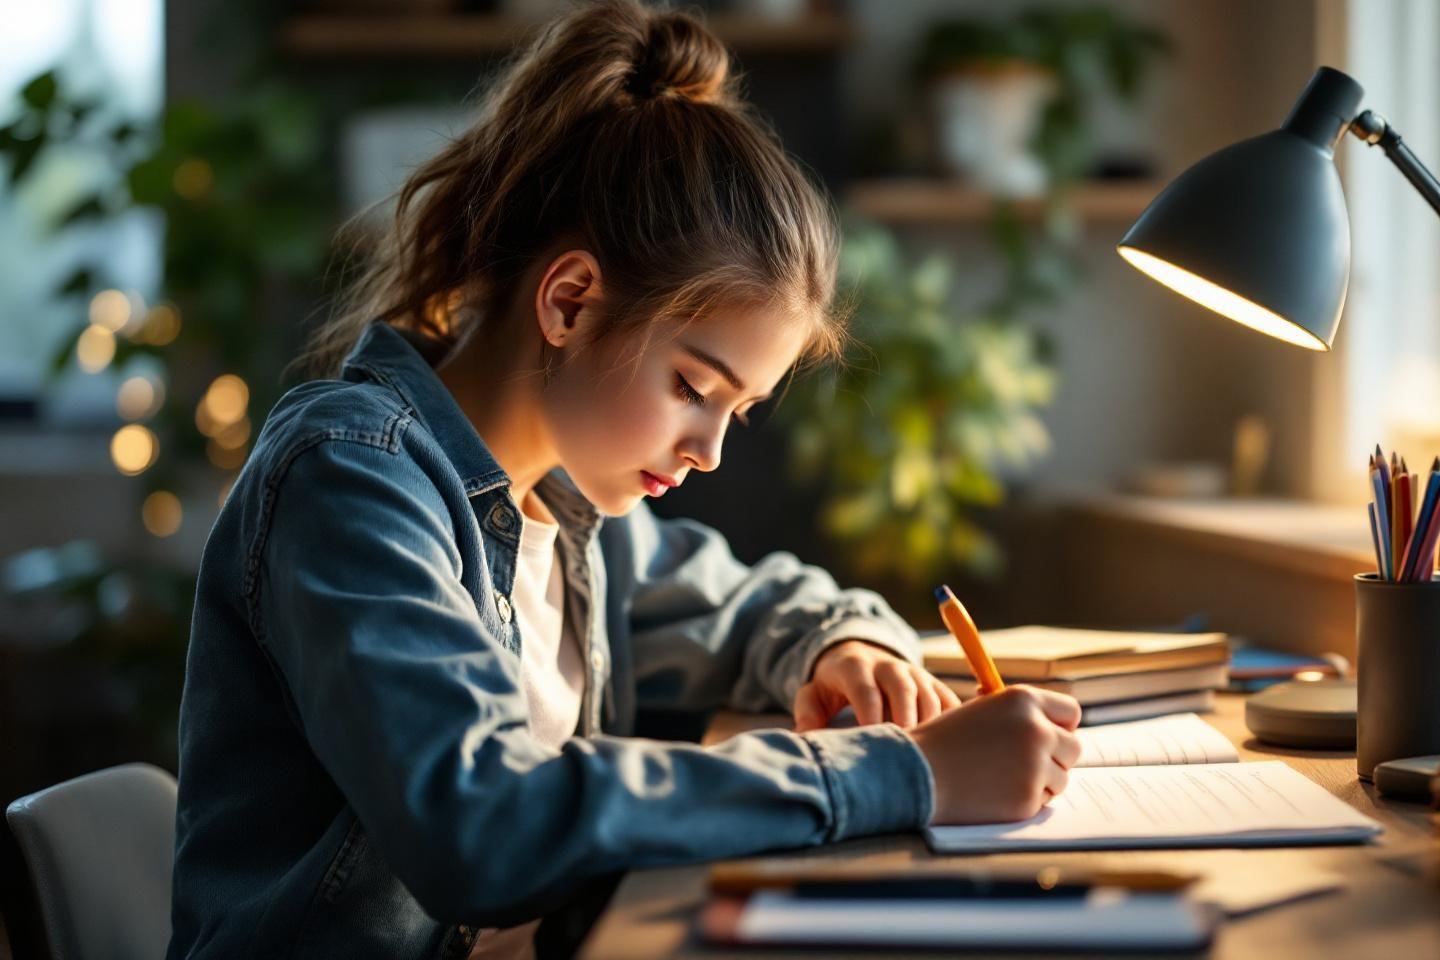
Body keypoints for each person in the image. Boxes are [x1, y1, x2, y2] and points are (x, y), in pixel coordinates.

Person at [165, 2, 1082, 958]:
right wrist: (901, 774)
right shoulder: (354, 482)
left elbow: (746, 605)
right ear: (569, 300)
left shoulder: (559, 508)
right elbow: (480, 823)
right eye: (694, 386)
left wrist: (842, 645)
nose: (710, 450)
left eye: (739, 409)